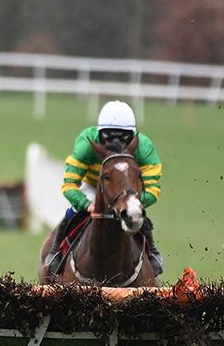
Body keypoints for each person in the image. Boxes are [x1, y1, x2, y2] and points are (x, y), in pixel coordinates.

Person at [44, 100, 164, 276]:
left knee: (138, 216)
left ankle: (152, 253)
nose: (116, 142)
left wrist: (131, 202)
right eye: (109, 137)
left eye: (122, 138)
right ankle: (56, 252)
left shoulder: (144, 147)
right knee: (73, 213)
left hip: (126, 191)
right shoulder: (87, 143)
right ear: (100, 133)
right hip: (93, 186)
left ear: (132, 136)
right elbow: (69, 185)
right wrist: (86, 205)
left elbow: (152, 190)